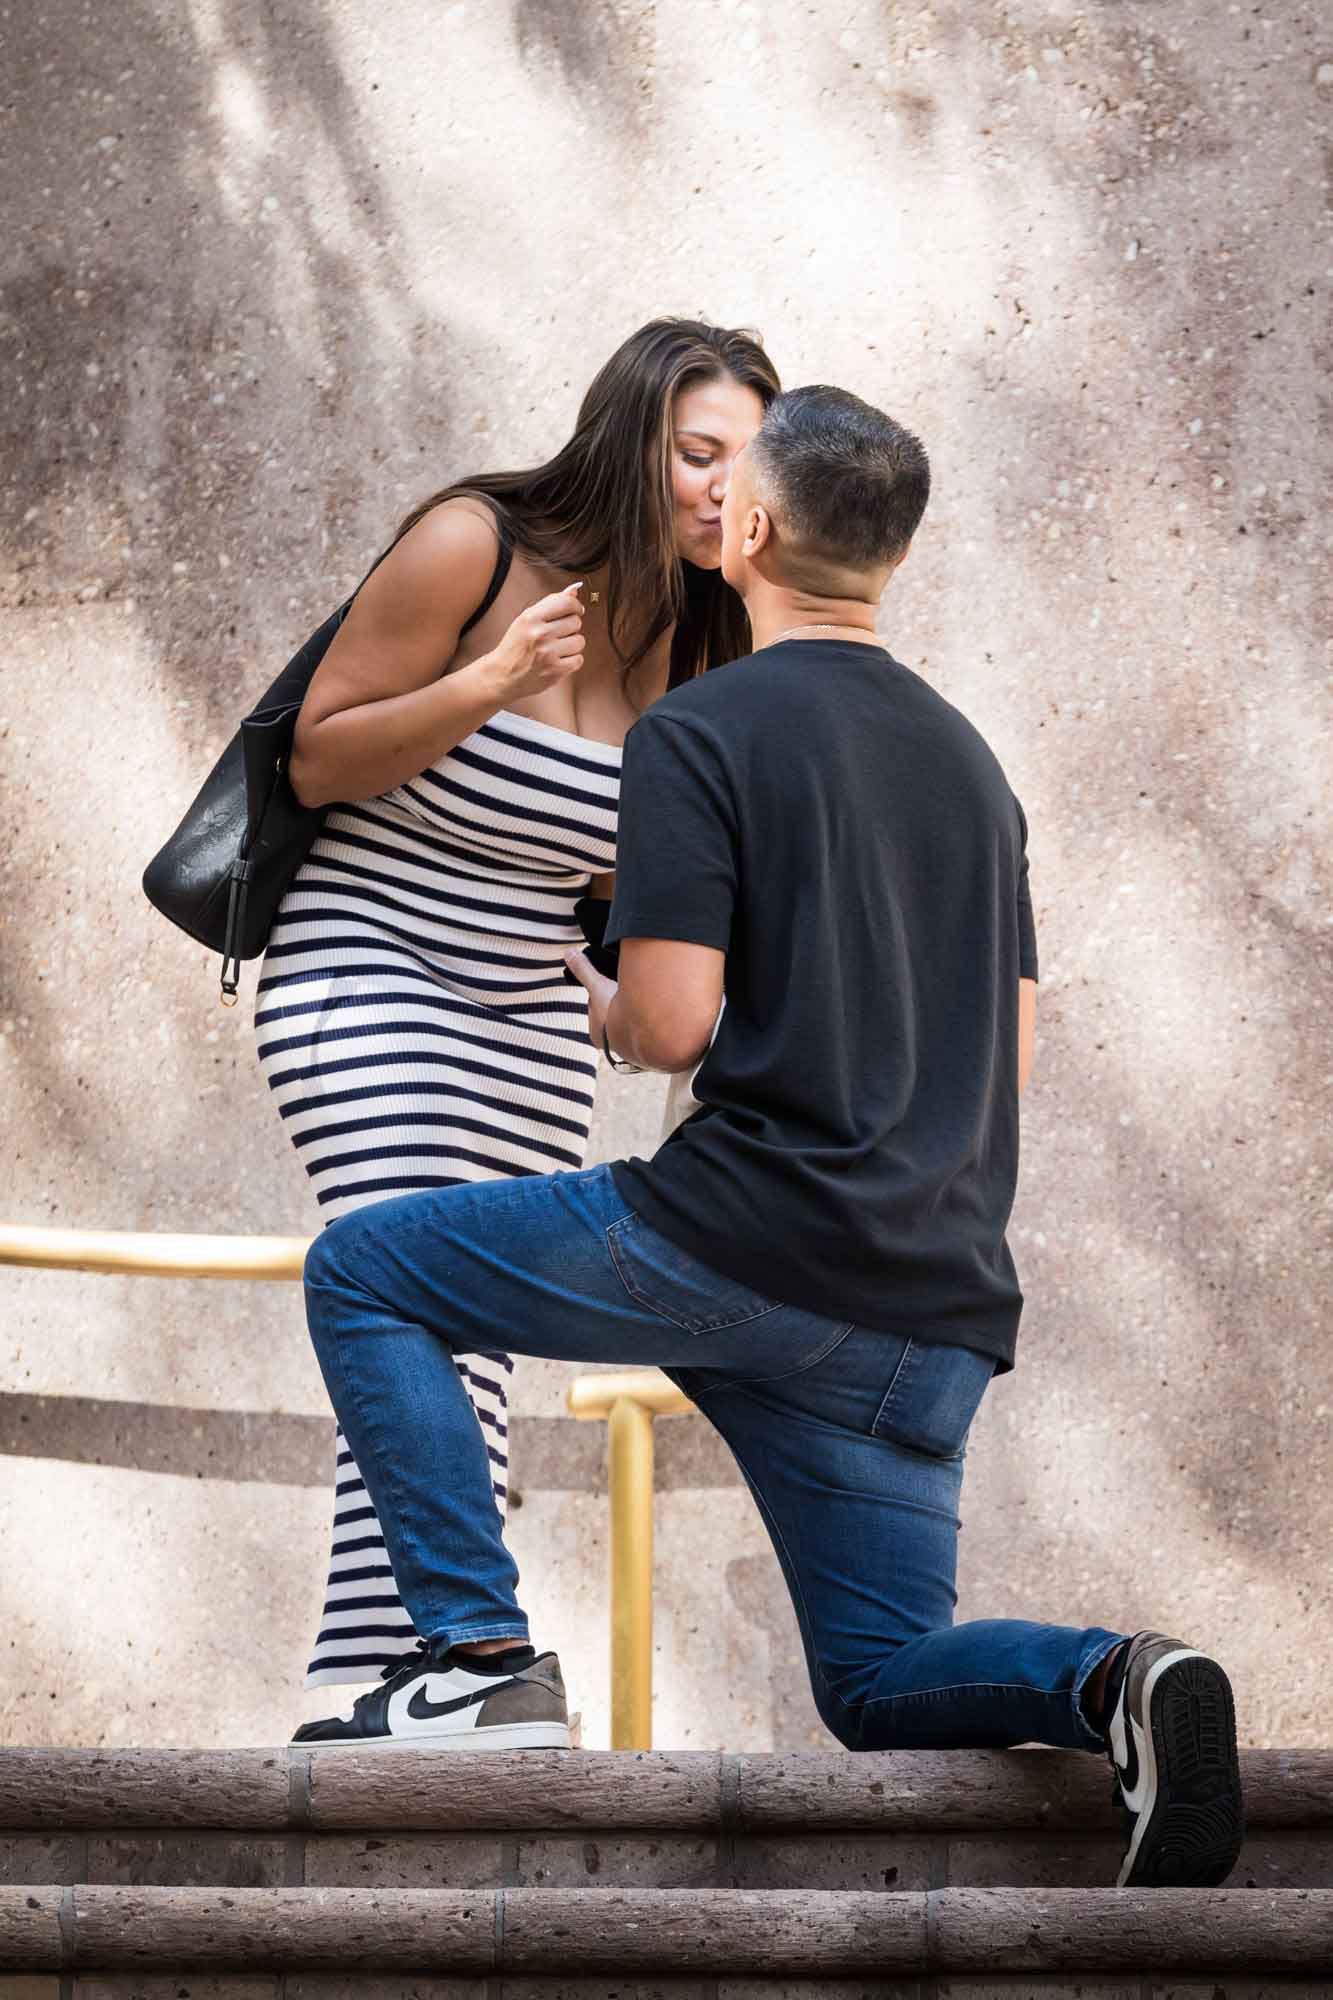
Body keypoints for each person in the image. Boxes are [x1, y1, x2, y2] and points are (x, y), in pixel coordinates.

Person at [293, 386, 1244, 1893]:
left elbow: (670, 1026)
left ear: (748, 528)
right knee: (877, 1683)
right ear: (895, 556)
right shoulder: (971, 770)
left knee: (368, 1271)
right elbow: (1013, 1047)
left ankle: (474, 1660)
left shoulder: (704, 726)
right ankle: (1120, 1680)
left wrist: (610, 1004)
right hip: (927, 1307)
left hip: (740, 1242)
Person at [255, 318, 779, 1691]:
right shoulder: (472, 549)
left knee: (461, 1345)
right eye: (696, 453)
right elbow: (315, 760)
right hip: (365, 967)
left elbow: (659, 869)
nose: (724, 488)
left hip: (529, 1014)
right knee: (403, 1288)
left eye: (749, 461)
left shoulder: (710, 643)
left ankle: (375, 1680)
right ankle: (454, 1659)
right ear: (630, 440)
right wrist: (491, 678)